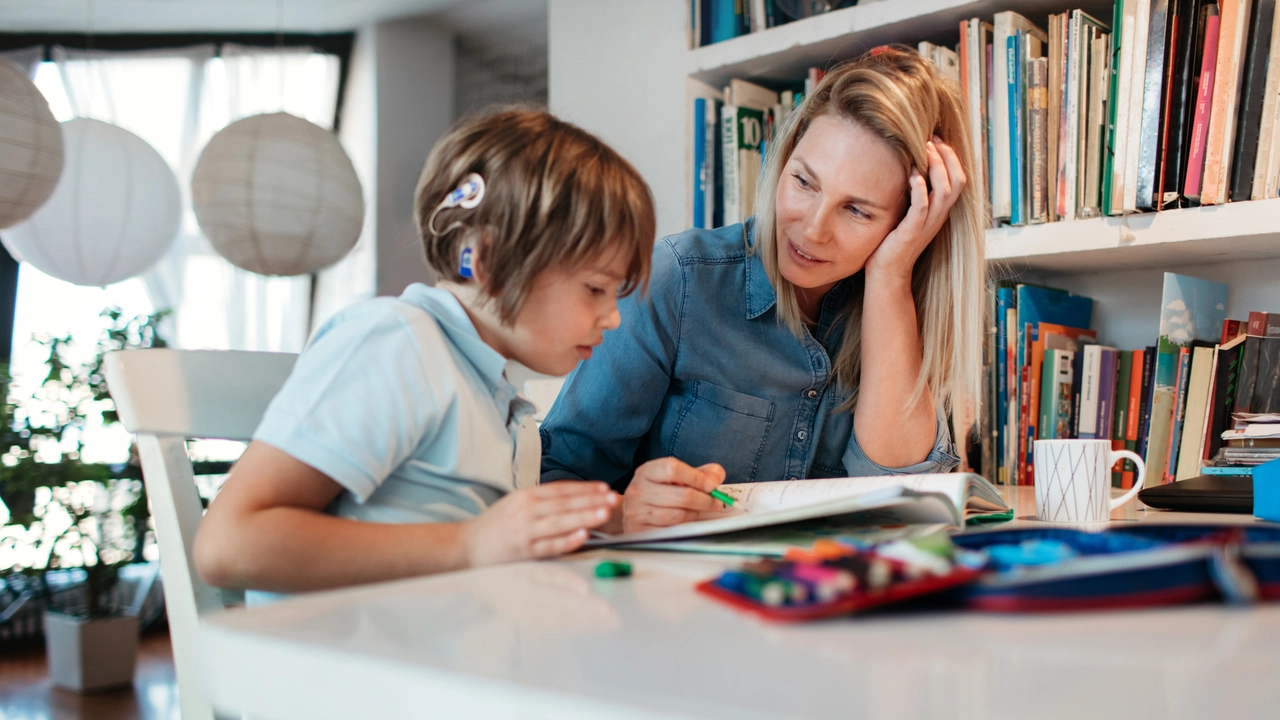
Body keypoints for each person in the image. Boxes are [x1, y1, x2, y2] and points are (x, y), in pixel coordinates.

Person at [194, 109, 656, 593]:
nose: (614, 318)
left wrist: (619, 515)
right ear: (490, 263)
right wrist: (469, 545)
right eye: (596, 289)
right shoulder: (397, 344)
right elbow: (228, 544)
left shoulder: (488, 389)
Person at [541, 47, 985, 534]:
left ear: (912, 218)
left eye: (857, 210)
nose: (812, 231)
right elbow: (555, 474)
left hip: (835, 597)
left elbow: (905, 502)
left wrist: (890, 277)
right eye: (803, 181)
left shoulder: (911, 311)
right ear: (784, 157)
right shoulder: (680, 279)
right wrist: (624, 512)